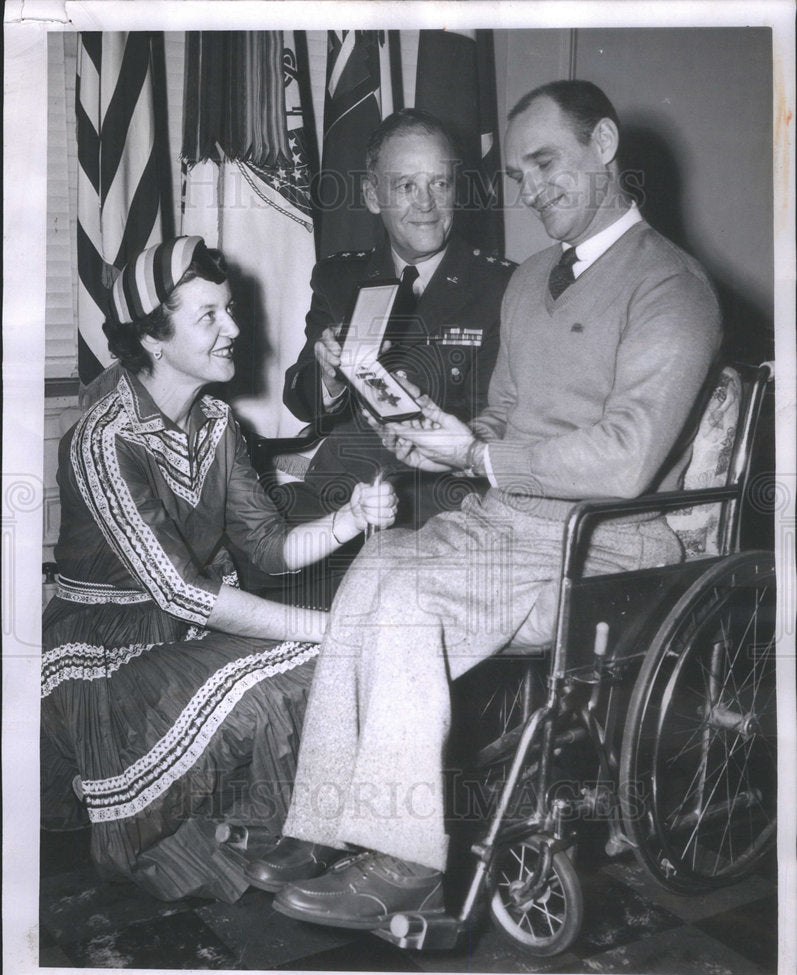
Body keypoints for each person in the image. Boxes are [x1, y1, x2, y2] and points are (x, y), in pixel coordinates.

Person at [243, 81, 723, 928]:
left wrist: (478, 453)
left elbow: (626, 459)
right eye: (518, 172)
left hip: (598, 542)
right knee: (380, 565)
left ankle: (408, 859)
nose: (530, 190)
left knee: (410, 600)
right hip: (507, 521)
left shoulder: (671, 287)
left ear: (605, 145)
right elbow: (501, 413)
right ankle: (322, 823)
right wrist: (439, 432)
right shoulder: (532, 276)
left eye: (547, 164)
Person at [40, 236, 396, 902]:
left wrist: (349, 518)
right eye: (209, 316)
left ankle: (287, 839)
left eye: (228, 310)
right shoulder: (102, 438)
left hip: (186, 633)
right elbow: (182, 593)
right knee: (302, 662)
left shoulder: (216, 421)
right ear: (153, 337)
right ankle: (262, 837)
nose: (234, 328)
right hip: (105, 653)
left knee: (317, 662)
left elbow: (266, 547)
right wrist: (332, 624)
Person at [246, 110, 514, 606]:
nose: (427, 204)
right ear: (372, 196)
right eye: (406, 186)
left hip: (437, 504)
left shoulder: (501, 286)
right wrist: (328, 376)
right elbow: (304, 400)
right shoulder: (339, 279)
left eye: (440, 183)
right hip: (339, 494)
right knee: (262, 579)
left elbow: (500, 421)